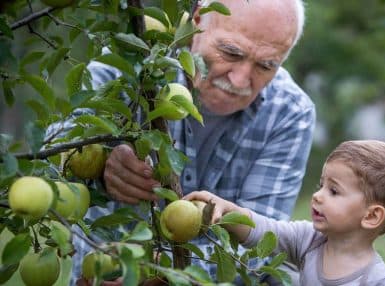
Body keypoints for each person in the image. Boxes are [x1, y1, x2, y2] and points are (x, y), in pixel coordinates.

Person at [64, 0, 315, 284]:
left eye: (267, 65)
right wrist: (101, 157)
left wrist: (164, 274)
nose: (241, 78)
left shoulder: (290, 111)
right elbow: (60, 145)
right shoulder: (127, 67)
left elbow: (262, 247)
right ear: (198, 21)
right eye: (231, 52)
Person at [185, 140, 385, 286]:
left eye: (334, 191)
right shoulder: (309, 240)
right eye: (321, 186)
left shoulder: (377, 280)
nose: (317, 196)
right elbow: (263, 229)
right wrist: (226, 210)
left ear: (371, 216)